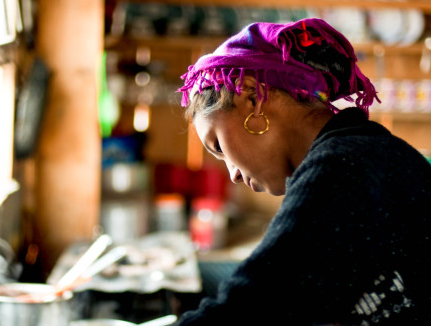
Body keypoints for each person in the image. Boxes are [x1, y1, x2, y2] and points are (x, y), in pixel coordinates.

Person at [174, 18, 431, 326]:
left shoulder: (342, 169)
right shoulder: (367, 151)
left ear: (252, 97)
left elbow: (251, 309)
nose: (233, 175)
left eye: (218, 146)